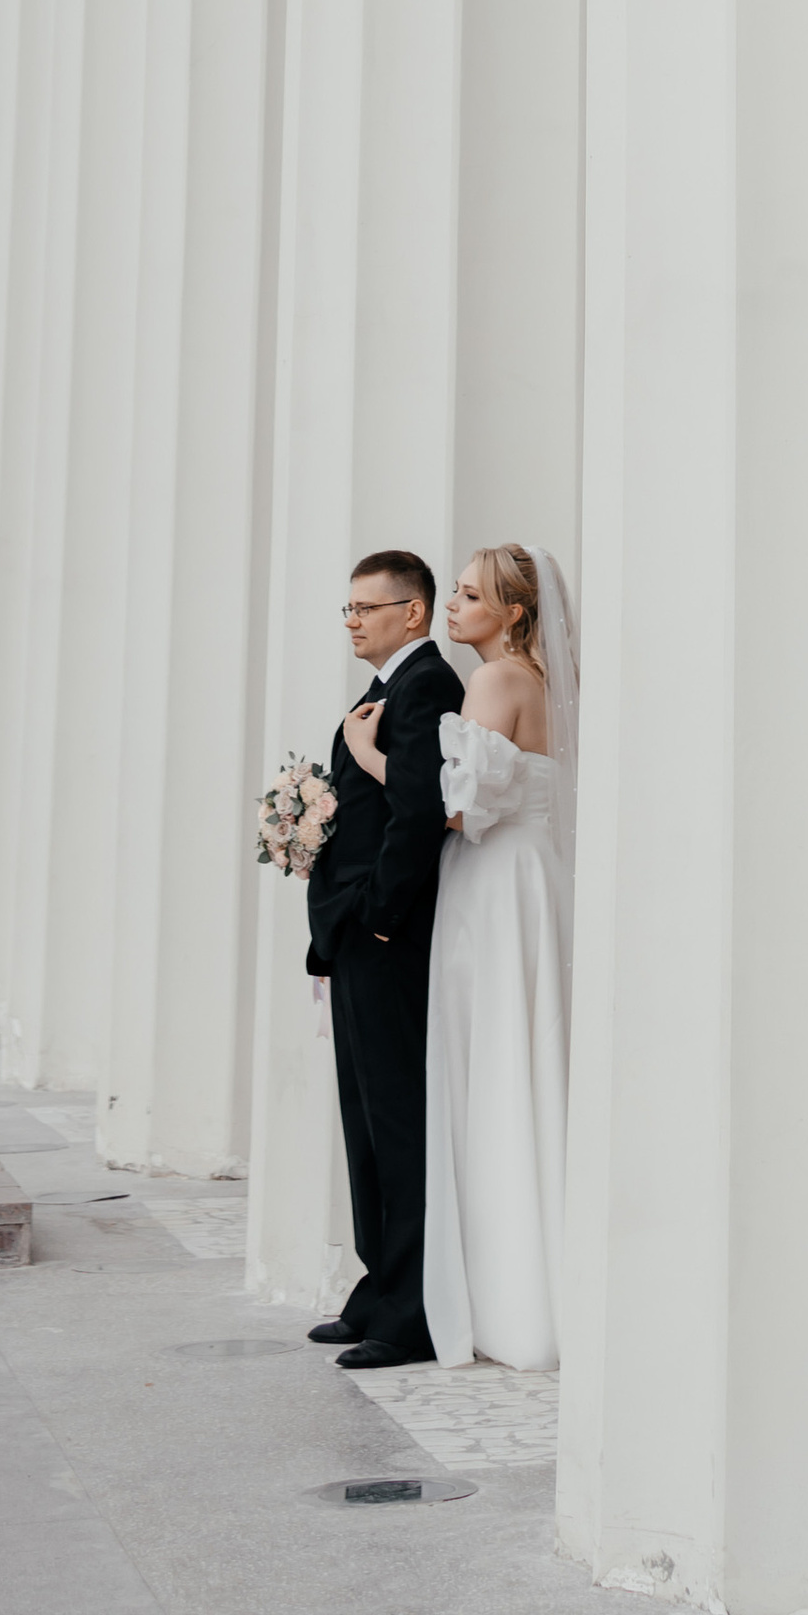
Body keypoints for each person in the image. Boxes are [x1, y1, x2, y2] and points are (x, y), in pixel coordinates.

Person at [338, 542, 577, 1370]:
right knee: (522, 1060)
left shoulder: (494, 680)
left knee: (487, 1067)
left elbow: (452, 807)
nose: (452, 605)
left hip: (491, 883)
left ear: (514, 612)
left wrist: (368, 757)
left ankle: (489, 1292)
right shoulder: (539, 682)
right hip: (529, 876)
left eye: (470, 595)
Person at [303, 551, 464, 1368]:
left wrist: (376, 919)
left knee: (397, 1123)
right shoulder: (382, 690)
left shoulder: (426, 685)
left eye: (366, 608)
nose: (352, 621)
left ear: (412, 612)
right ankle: (379, 1288)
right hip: (356, 937)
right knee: (364, 1122)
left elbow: (420, 811)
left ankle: (411, 1314)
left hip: (388, 940)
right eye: (348, 608)